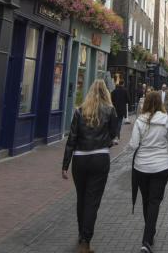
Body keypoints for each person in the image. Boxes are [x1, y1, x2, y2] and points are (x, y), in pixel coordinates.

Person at [62, 79, 120, 253]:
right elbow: (114, 135)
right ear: (106, 93)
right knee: (92, 201)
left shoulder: (80, 111)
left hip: (80, 159)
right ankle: (85, 241)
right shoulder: (110, 110)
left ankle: (81, 235)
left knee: (81, 198)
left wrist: (65, 164)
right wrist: (107, 144)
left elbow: (71, 139)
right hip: (100, 159)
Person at [130, 91, 168, 253]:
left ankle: (149, 234)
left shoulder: (139, 120)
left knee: (147, 200)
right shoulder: (165, 119)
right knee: (154, 201)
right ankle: (147, 238)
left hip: (141, 167)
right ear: (160, 103)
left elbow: (133, 144)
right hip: (160, 167)